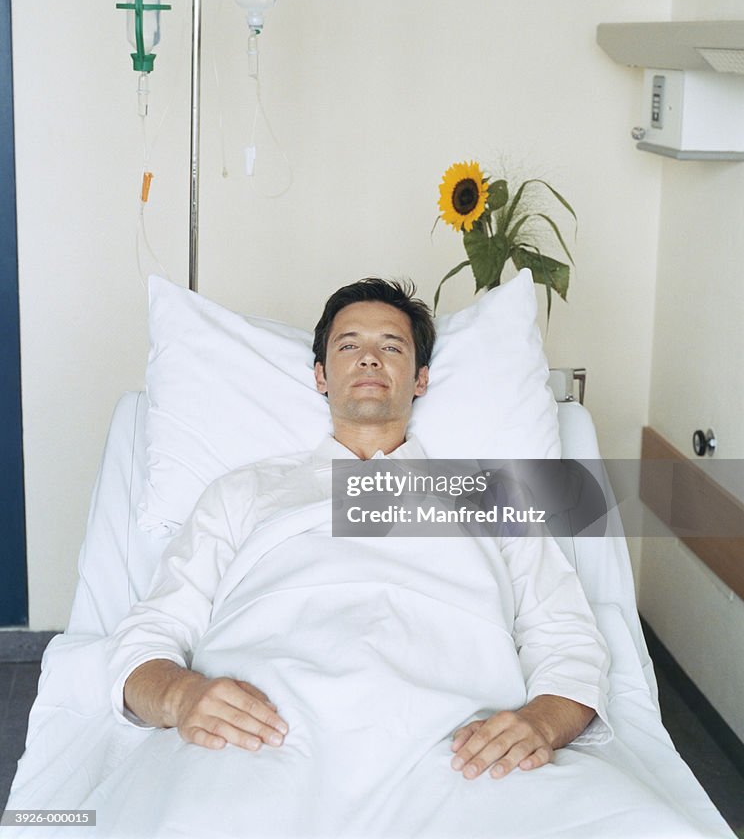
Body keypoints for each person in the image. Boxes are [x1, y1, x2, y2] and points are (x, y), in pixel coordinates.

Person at [109, 278, 610, 790]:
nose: (370, 359)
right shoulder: (243, 493)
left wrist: (541, 722)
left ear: (421, 379)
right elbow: (150, 636)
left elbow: (565, 636)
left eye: (392, 347)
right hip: (260, 738)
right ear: (322, 376)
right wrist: (180, 697)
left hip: (459, 749)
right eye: (349, 345)